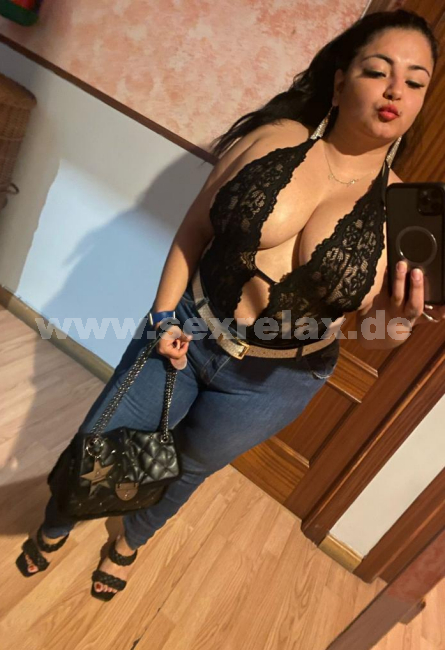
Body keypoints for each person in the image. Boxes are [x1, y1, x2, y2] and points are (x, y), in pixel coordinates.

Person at [15, 9, 444, 601]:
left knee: (190, 468)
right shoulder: (273, 139)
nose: (395, 90)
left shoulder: (399, 214)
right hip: (189, 328)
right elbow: (195, 229)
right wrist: (162, 316)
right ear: (341, 80)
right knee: (104, 437)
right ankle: (57, 523)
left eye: (415, 82)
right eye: (378, 71)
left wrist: (395, 325)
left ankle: (130, 542)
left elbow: (374, 333)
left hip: (278, 380)